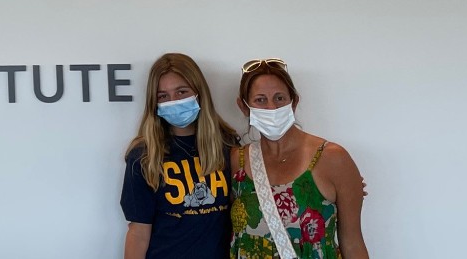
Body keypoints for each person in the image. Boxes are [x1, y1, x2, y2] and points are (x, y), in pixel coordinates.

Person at [229, 58, 368, 258]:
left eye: (279, 98)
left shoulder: (332, 159)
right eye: (260, 100)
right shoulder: (238, 161)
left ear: (293, 102)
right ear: (244, 107)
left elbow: (352, 243)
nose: (272, 108)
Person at [122, 53, 239, 258]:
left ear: (199, 92)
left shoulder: (228, 145)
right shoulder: (144, 155)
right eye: (163, 96)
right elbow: (139, 232)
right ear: (154, 103)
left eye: (181, 92)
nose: (173, 101)